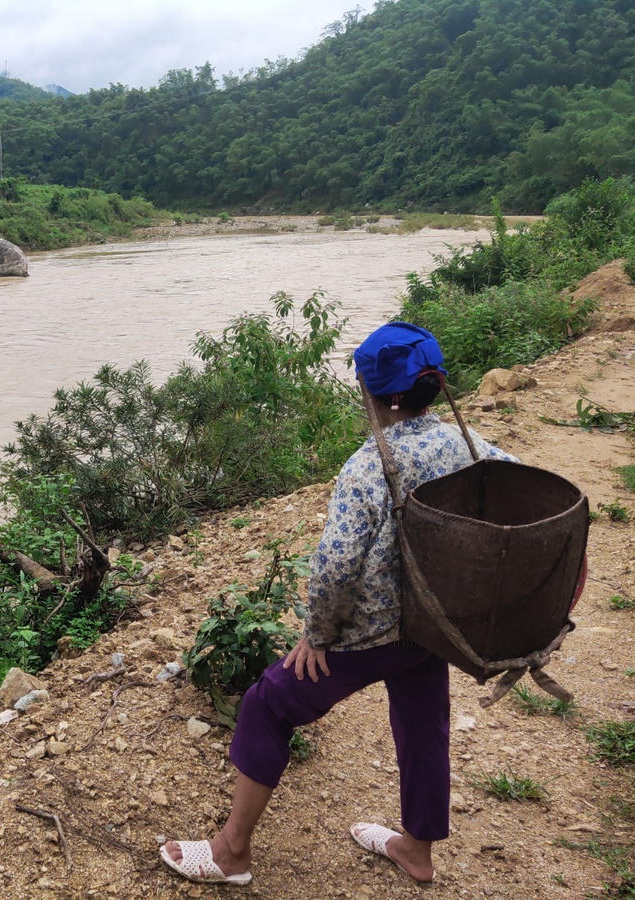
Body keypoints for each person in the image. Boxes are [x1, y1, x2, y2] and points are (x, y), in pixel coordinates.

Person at [160, 322, 517, 886]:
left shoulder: (368, 466)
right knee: (424, 724)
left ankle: (230, 853)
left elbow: (335, 566)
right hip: (436, 625)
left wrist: (318, 636)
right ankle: (416, 850)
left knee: (267, 705)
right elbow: (524, 490)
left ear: (375, 393)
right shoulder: (466, 445)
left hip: (371, 635)